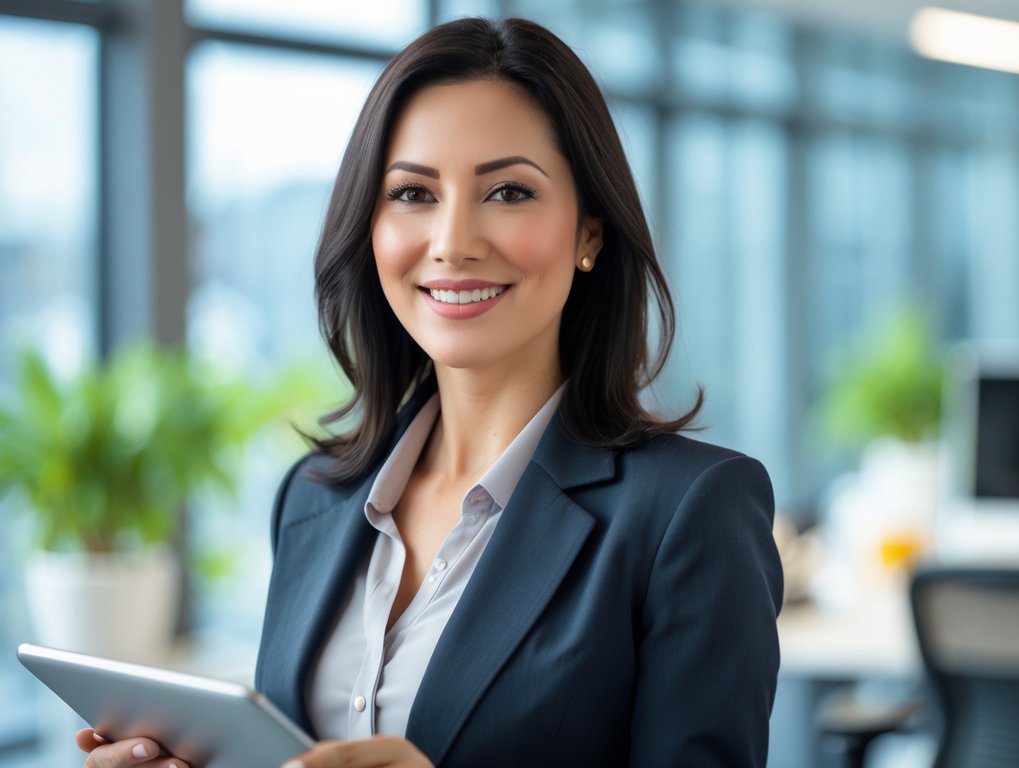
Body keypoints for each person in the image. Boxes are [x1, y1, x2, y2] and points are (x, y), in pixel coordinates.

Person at [77, 15, 782, 768]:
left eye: (508, 191)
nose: (452, 241)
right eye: (412, 193)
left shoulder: (690, 512)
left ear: (589, 235)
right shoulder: (312, 500)